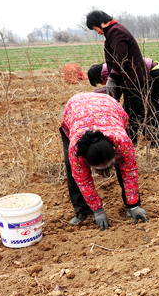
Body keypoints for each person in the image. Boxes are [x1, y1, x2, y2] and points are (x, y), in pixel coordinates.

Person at [60, 92, 147, 230]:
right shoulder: (76, 151)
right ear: (86, 161)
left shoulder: (122, 142)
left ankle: (131, 207)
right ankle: (83, 212)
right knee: (72, 170)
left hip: (109, 107)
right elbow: (83, 180)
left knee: (124, 166)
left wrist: (134, 204)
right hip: (75, 109)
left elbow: (129, 171)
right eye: (99, 169)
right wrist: (98, 210)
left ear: (114, 149)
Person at [86, 10, 159, 147]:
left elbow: (120, 57)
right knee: (137, 111)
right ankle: (140, 141)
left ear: (101, 23)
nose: (97, 32)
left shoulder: (116, 32)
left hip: (134, 80)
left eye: (95, 28)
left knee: (135, 112)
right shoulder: (113, 33)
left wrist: (112, 77)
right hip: (130, 80)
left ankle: (144, 141)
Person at [87, 60, 159, 147]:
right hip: (154, 72)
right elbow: (118, 90)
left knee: (146, 108)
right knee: (138, 108)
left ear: (98, 77)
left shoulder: (107, 73)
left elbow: (114, 92)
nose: (103, 84)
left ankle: (157, 138)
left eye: (100, 82)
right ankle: (140, 138)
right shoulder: (108, 67)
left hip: (152, 74)